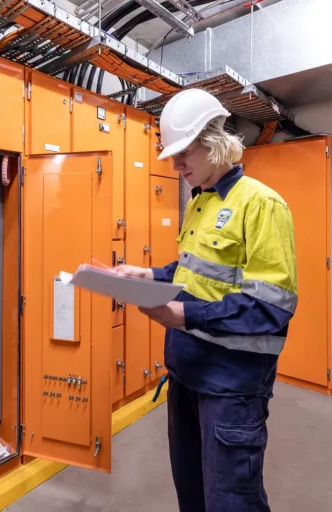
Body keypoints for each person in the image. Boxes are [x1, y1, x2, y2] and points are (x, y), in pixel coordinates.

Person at [115, 88, 298, 512]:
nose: (175, 165)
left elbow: (271, 307)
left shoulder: (261, 203)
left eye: (184, 153)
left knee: (231, 500)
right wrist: (149, 275)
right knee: (193, 493)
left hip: (231, 385)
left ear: (215, 144)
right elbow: (194, 274)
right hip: (186, 373)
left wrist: (182, 315)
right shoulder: (200, 203)